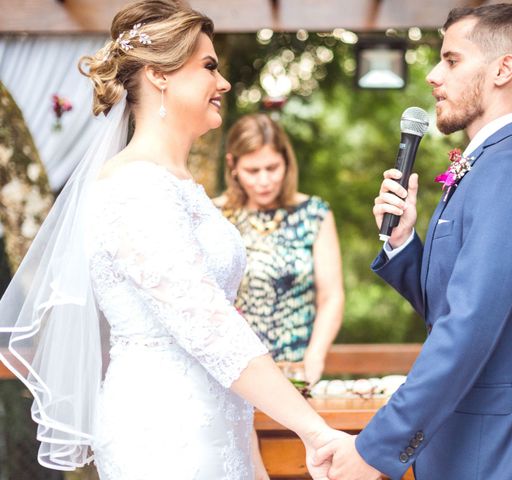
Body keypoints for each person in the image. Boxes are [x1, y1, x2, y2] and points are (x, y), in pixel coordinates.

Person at [0, 1, 343, 478]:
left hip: (220, 425)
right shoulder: (133, 188)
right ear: (159, 75)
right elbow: (209, 325)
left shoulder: (183, 187)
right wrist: (314, 428)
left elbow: (219, 336)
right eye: (208, 67)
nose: (222, 83)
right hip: (165, 432)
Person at [316, 3, 512, 480]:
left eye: (451, 60)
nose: (434, 75)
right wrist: (402, 242)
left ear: (504, 69)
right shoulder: (488, 166)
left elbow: (468, 328)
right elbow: (452, 307)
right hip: (463, 447)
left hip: (500, 453)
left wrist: (376, 448)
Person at [215, 114, 344, 387]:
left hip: (295, 370)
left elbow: (331, 296)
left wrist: (315, 357)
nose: (264, 181)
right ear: (233, 165)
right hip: (232, 371)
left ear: (287, 162)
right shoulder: (214, 215)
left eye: (272, 168)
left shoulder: (314, 214)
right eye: (253, 170)